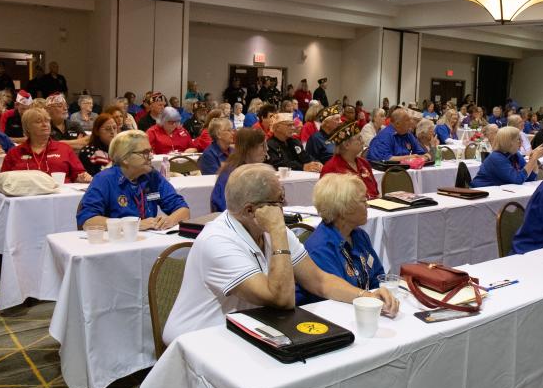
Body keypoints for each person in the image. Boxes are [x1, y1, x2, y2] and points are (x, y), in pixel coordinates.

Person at [162, 164, 398, 345]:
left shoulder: (268, 228)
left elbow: (319, 280)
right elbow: (281, 299)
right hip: (198, 338)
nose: (285, 203)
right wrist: (276, 231)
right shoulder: (218, 241)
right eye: (278, 199)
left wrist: (366, 296)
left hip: (243, 327)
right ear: (251, 210)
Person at [296, 173, 385, 304]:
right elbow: (337, 298)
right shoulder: (320, 248)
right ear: (344, 208)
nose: (368, 206)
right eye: (363, 201)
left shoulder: (359, 235)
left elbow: (377, 278)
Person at [77, 130, 190, 230]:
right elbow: (87, 220)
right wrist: (133, 225)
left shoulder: (152, 176)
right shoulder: (104, 180)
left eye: (150, 151)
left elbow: (183, 210)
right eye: (144, 153)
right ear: (125, 158)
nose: (151, 157)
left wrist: (168, 221)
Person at [1, 108, 90, 183]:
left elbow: (78, 174)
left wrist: (82, 177)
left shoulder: (64, 149)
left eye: (47, 121)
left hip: (59, 199)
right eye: (38, 122)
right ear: (27, 127)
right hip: (25, 199)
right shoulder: (14, 153)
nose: (45, 125)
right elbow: (3, 180)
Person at [210, 128, 267, 212]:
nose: (266, 150)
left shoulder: (247, 169)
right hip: (231, 220)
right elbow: (229, 209)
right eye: (262, 146)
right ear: (249, 149)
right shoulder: (233, 174)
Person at [320, 121, 379, 199]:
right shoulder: (331, 168)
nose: (363, 141)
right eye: (359, 139)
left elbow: (376, 193)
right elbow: (326, 200)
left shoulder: (364, 163)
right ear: (346, 145)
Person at [471, 126, 543, 187]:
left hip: (498, 192)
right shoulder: (496, 158)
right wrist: (533, 159)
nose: (521, 142)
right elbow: (518, 179)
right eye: (518, 139)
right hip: (482, 193)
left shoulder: (515, 154)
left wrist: (534, 159)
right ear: (509, 142)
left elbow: (530, 178)